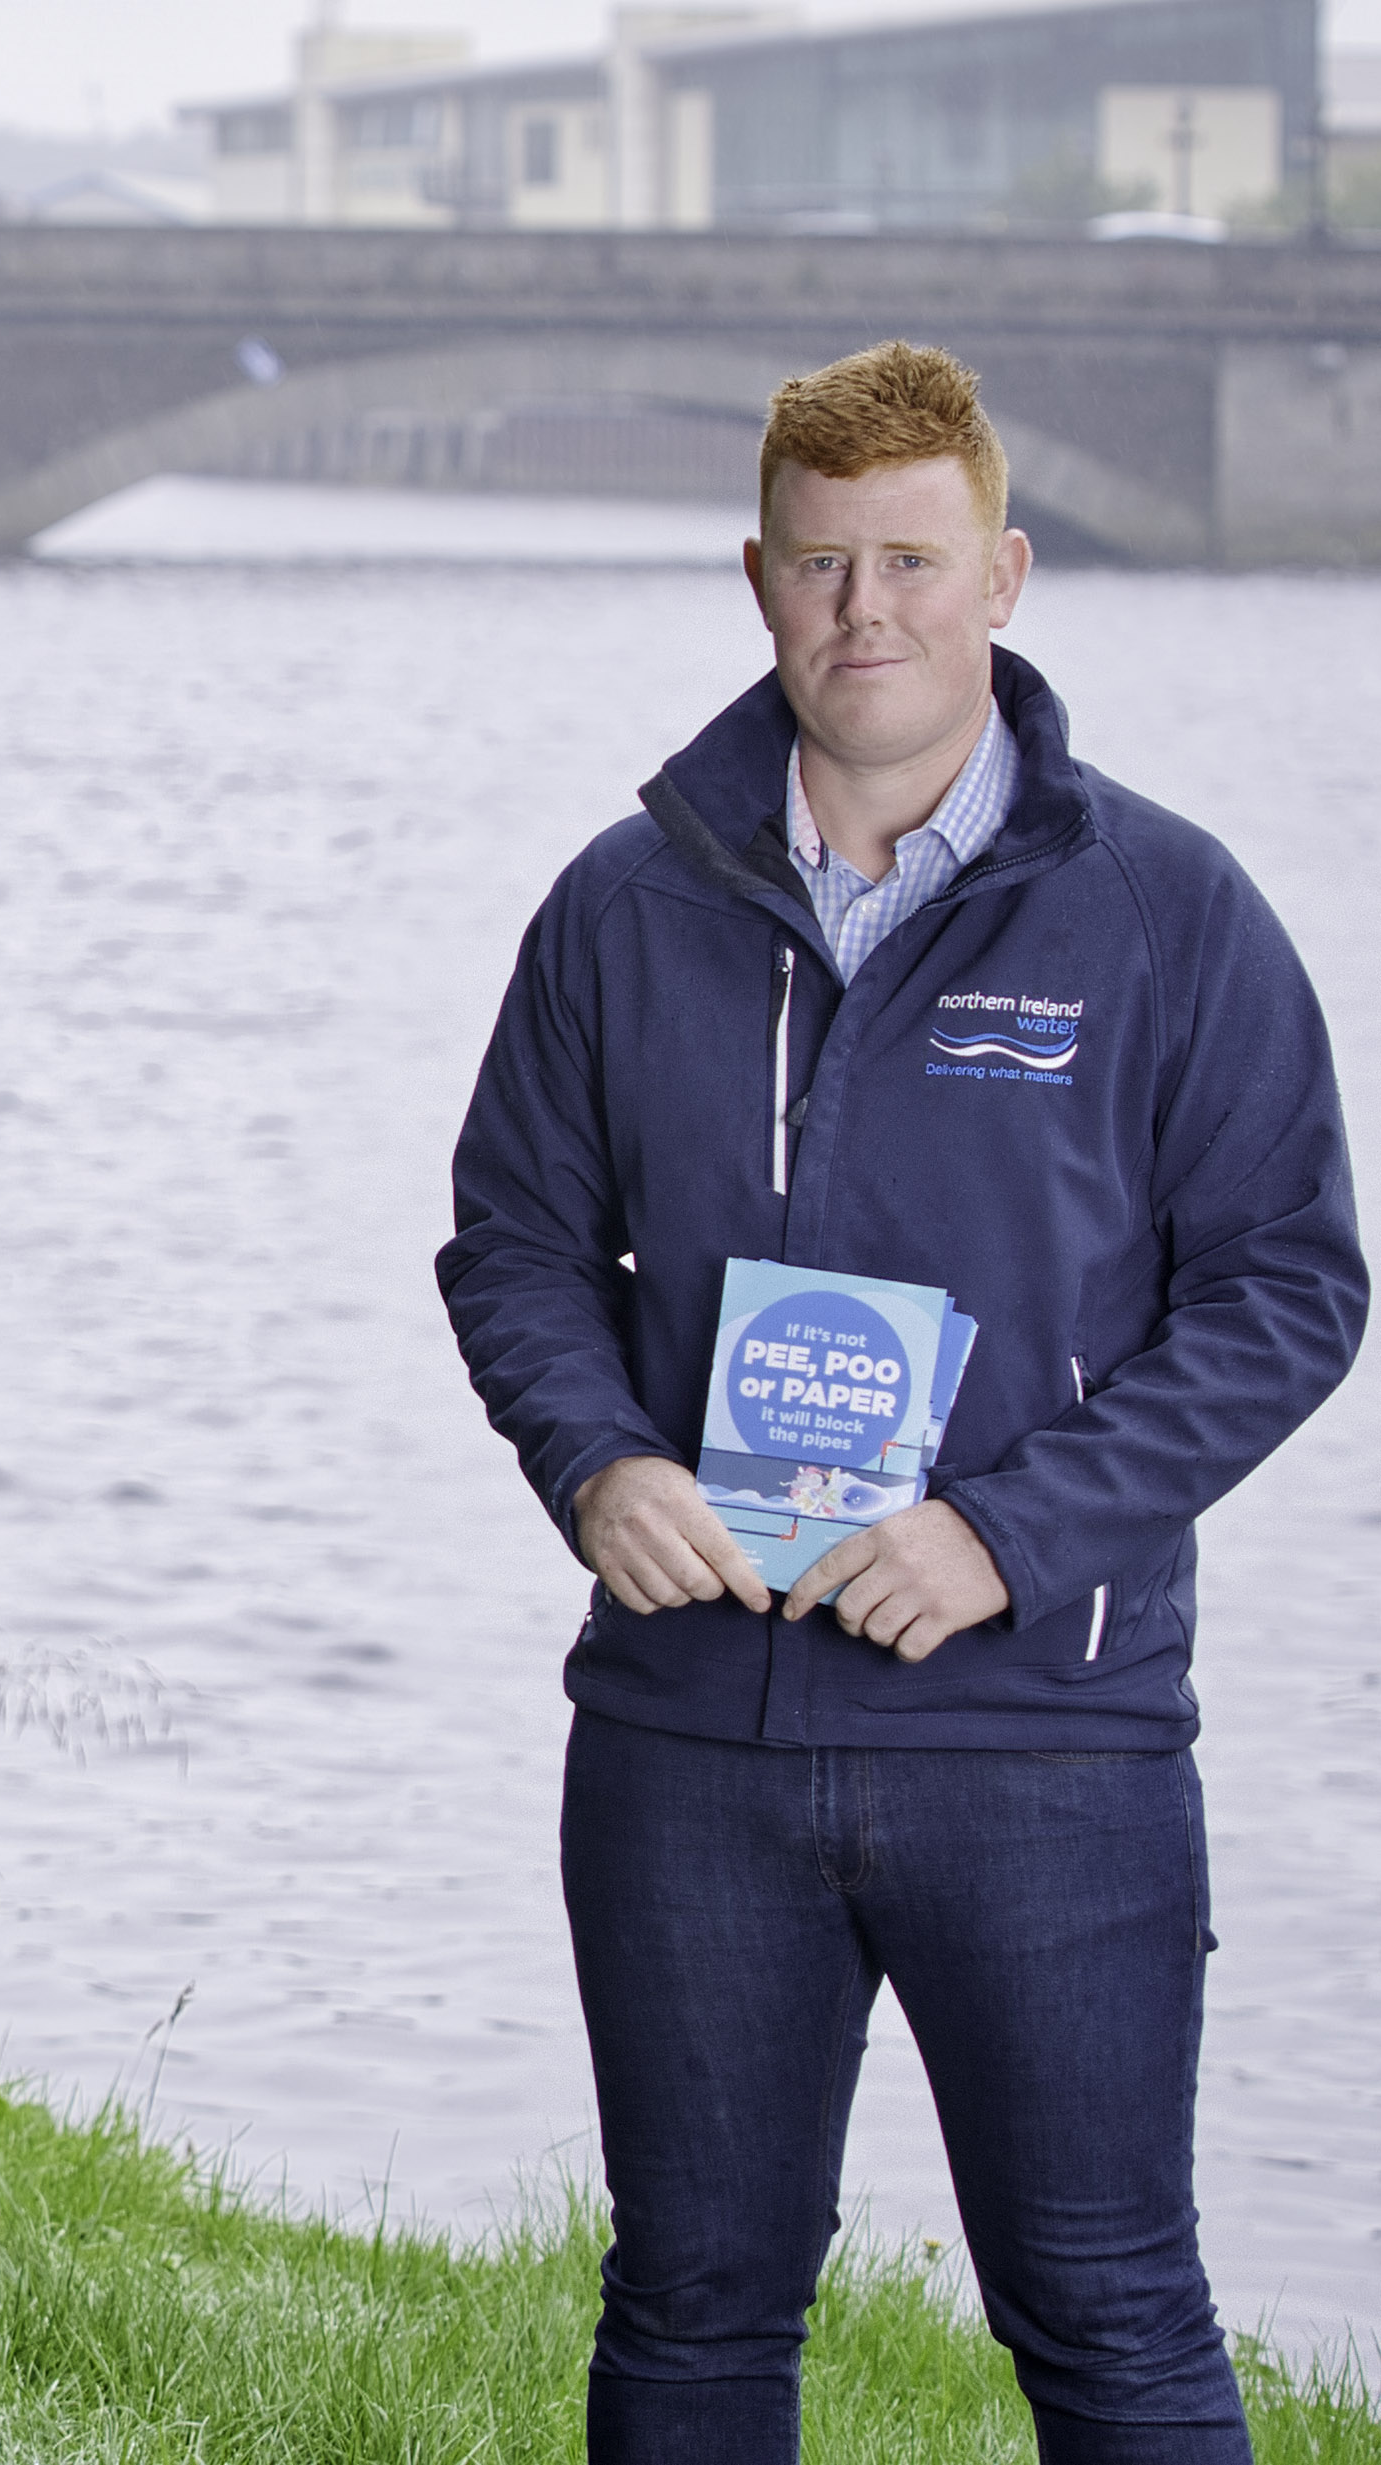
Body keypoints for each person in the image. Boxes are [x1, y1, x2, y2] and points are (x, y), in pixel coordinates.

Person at [436, 341, 1364, 2460]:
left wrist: (1008, 1536)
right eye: (825, 561)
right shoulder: (623, 902)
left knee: (1113, 2313)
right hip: (692, 1737)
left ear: (1006, 574)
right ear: (757, 577)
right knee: (689, 2311)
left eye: (915, 561)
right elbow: (512, 1245)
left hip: (1045, 1743)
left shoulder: (1167, 914)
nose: (870, 608)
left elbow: (1288, 1287)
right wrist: (597, 1458)